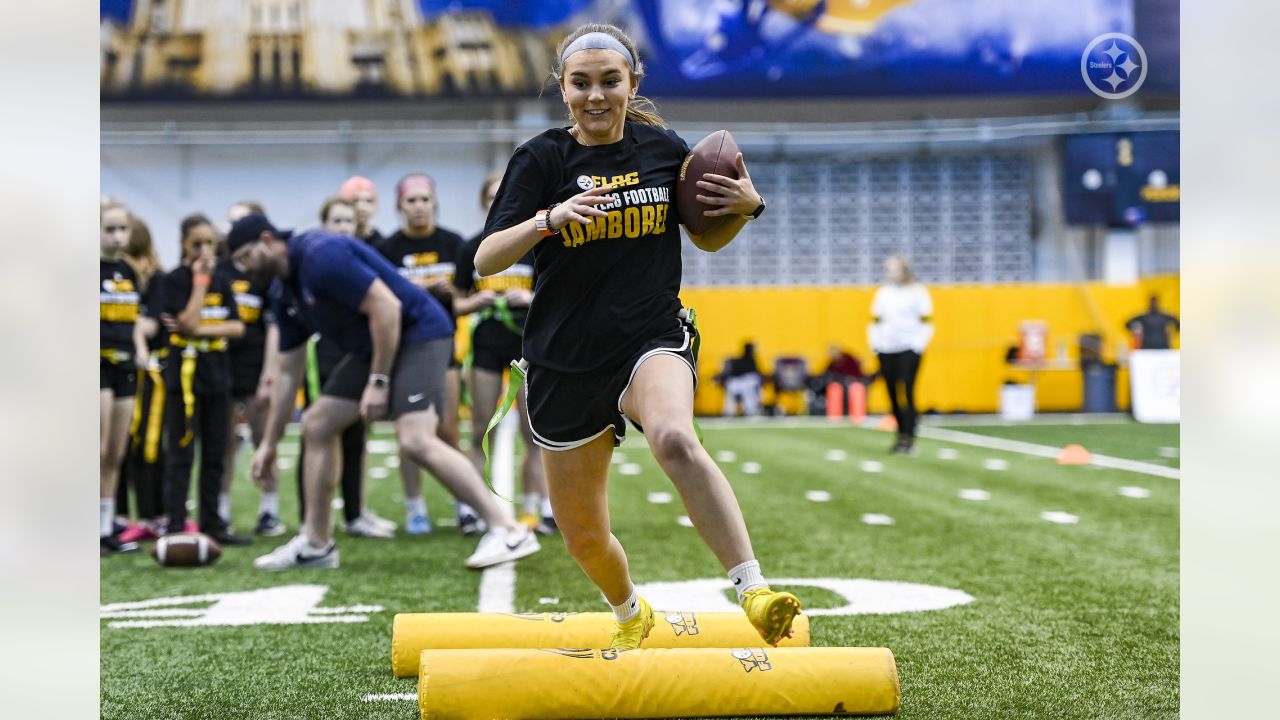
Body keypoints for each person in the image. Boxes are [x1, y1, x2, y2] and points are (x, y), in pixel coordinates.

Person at [475, 23, 799, 650]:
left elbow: (705, 237)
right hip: (563, 357)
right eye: (581, 83)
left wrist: (746, 206)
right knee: (583, 536)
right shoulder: (540, 159)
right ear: (562, 87)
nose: (595, 96)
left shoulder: (662, 149)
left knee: (675, 437)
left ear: (633, 84)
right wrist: (548, 220)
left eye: (609, 82)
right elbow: (487, 259)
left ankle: (753, 588)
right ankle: (629, 612)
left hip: (649, 335)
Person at [229, 214, 540, 570]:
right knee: (317, 423)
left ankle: (507, 528)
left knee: (415, 439)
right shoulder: (284, 290)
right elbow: (287, 372)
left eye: (245, 256)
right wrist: (268, 444)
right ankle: (316, 544)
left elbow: (387, 308)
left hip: (420, 333)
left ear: (267, 239)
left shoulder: (320, 255)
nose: (243, 268)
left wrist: (378, 383)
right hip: (375, 345)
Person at [454, 172, 552, 534]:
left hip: (527, 347)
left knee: (533, 431)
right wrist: (472, 302)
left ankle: (535, 510)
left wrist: (530, 297)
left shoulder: (538, 243)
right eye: (492, 196)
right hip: (485, 348)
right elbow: (455, 303)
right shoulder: (472, 248)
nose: (499, 201)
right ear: (484, 203)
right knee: (480, 428)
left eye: (504, 194)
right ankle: (472, 508)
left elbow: (557, 296)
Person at [147, 214, 252, 545]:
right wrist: (199, 284)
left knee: (215, 455)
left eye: (211, 244)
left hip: (218, 379)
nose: (205, 251)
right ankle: (177, 524)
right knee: (181, 455)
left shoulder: (223, 281)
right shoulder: (171, 281)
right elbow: (186, 321)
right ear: (183, 245)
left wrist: (203, 330)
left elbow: (237, 327)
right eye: (198, 244)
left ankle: (212, 523)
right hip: (183, 380)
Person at [298, 196, 396, 539]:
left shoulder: (360, 263)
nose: (342, 228)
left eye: (348, 223)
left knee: (356, 437)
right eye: (335, 222)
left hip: (357, 356)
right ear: (323, 226)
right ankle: (308, 520)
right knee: (316, 431)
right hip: (324, 356)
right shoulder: (316, 265)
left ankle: (355, 514)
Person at [215, 211, 284, 537]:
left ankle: (269, 510)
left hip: (256, 366)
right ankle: (222, 510)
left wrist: (268, 377)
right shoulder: (220, 270)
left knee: (263, 439)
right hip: (223, 367)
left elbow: (273, 329)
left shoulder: (266, 274)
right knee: (224, 443)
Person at [116, 213, 170, 543]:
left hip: (147, 371)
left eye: (122, 230)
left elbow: (150, 324)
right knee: (115, 445)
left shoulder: (155, 278)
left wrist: (131, 331)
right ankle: (117, 514)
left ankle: (152, 513)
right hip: (116, 367)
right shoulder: (108, 273)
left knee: (146, 443)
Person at [99, 201, 144, 555]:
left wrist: (140, 348)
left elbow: (135, 321)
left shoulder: (128, 271)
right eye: (109, 228)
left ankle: (105, 527)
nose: (117, 236)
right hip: (96, 365)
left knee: (116, 451)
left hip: (125, 365)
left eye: (121, 229)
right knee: (95, 449)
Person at [868, 255, 933, 455]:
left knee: (908, 392)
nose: (889, 273)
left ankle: (910, 437)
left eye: (893, 269)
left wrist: (918, 345)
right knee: (892, 394)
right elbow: (875, 321)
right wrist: (876, 345)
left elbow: (927, 321)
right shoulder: (883, 293)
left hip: (908, 348)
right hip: (887, 349)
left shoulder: (917, 292)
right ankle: (900, 436)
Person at [718, 341, 763, 417]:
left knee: (749, 390)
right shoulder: (742, 361)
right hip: (737, 384)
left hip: (746, 385)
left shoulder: (751, 361)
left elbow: (756, 375)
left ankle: (751, 411)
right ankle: (731, 412)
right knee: (743, 391)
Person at [340, 176, 386, 248]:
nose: (361, 207)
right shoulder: (338, 240)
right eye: (355, 200)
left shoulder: (383, 244)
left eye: (368, 201)